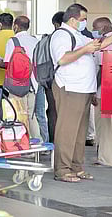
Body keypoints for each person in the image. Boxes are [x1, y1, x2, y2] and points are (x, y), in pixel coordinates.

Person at [50, 3, 112, 183]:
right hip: (69, 88)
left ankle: (76, 166)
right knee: (67, 131)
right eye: (83, 19)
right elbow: (62, 58)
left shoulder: (78, 35)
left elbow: (96, 46)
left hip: (83, 89)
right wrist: (84, 50)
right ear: (73, 19)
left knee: (80, 132)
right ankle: (62, 169)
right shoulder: (61, 35)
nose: (85, 23)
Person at [2, 16, 43, 142]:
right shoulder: (35, 41)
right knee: (31, 115)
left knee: (18, 114)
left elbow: (7, 63)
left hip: (17, 85)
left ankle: (24, 144)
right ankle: (38, 142)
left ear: (15, 26)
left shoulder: (13, 41)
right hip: (33, 84)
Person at [92, 17, 112, 167]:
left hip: (103, 89)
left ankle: (105, 159)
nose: (94, 32)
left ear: (103, 29)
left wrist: (93, 91)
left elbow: (102, 69)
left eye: (95, 28)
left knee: (104, 126)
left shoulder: (103, 45)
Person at [44, 11, 65, 143]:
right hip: (70, 83)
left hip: (51, 80)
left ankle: (54, 141)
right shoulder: (79, 37)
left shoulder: (49, 39)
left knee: (53, 111)